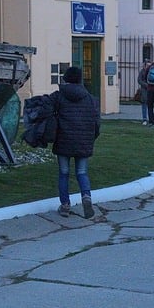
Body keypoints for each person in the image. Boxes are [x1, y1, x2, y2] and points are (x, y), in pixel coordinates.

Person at [51, 67, 101, 219]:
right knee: (82, 172)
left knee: (64, 173)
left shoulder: (59, 97)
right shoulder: (91, 99)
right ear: (80, 79)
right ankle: (86, 197)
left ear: (65, 78)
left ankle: (65, 205)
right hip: (83, 140)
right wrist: (92, 137)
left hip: (63, 139)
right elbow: (96, 123)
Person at [137, 59, 151, 125]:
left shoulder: (152, 71)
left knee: (150, 105)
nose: (148, 67)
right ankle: (144, 119)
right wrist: (145, 84)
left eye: (149, 65)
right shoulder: (142, 71)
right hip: (144, 90)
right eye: (147, 65)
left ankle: (151, 118)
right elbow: (139, 80)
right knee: (144, 104)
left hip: (151, 89)